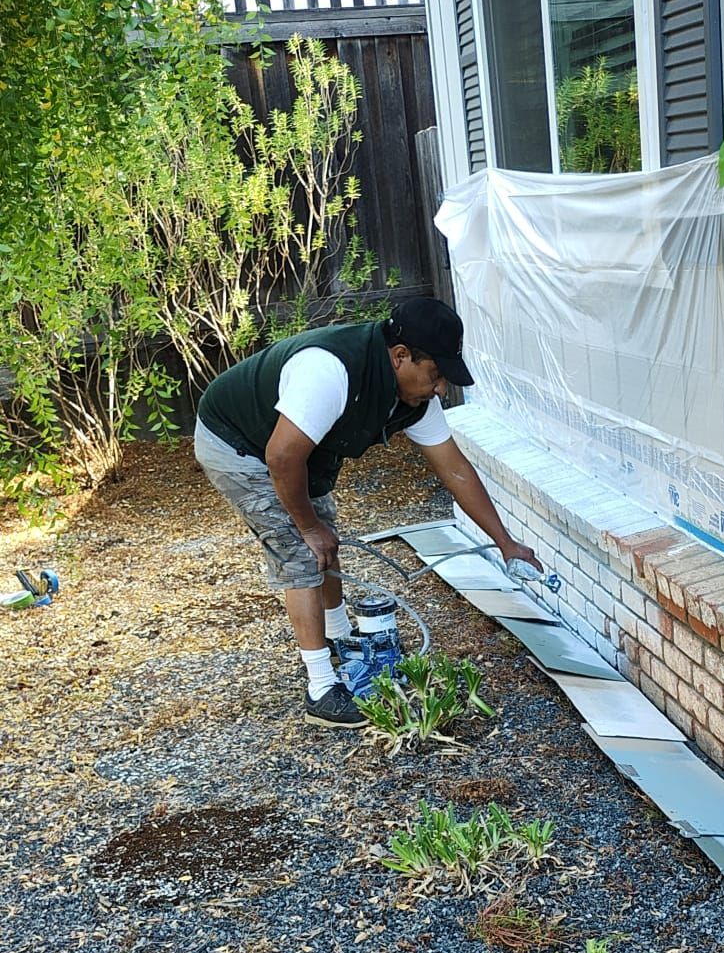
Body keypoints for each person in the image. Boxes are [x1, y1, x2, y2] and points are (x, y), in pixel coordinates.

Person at [193, 297, 540, 728]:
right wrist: (307, 527)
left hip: (298, 451)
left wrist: (506, 543)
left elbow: (455, 469)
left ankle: (339, 637)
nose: (440, 390)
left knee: (325, 537)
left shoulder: (414, 400)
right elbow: (281, 458)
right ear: (400, 356)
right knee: (300, 550)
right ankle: (321, 689)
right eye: (435, 374)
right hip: (238, 443)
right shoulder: (330, 371)